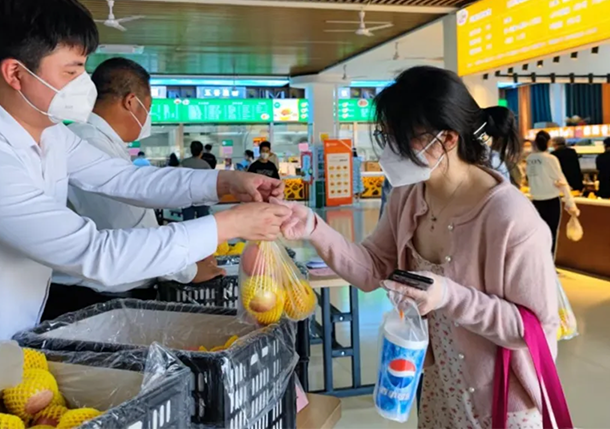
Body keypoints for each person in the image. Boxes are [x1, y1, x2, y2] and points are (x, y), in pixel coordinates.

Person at [0, 0, 288, 358]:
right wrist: (231, 224)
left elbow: (124, 178)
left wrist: (226, 182)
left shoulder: (51, 133)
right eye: (71, 70)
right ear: (15, 73)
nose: (84, 83)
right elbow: (94, 253)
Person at [276, 66, 559, 428]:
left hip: (502, 402)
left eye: (401, 137)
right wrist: (314, 228)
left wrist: (449, 296)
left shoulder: (509, 217)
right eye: (386, 135)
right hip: (438, 389)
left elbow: (535, 329)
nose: (389, 149)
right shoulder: (408, 196)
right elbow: (373, 267)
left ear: (448, 138)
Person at [49, 58, 226, 318]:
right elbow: (129, 226)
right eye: (148, 107)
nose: (147, 118)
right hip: (93, 301)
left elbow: (142, 186)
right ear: (131, 102)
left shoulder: (99, 141)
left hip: (101, 296)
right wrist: (188, 270)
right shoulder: (89, 142)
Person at [527, 131, 579, 259]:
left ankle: (538, 263)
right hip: (551, 201)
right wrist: (570, 203)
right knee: (551, 235)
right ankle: (549, 264)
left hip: (535, 201)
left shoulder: (529, 159)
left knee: (537, 234)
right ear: (549, 143)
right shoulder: (550, 159)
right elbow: (561, 181)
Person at [181, 141, 213, 220]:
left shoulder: (183, 163)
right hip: (202, 197)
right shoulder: (205, 165)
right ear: (201, 152)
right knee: (202, 221)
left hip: (186, 196)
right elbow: (210, 182)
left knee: (188, 222)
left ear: (191, 150)